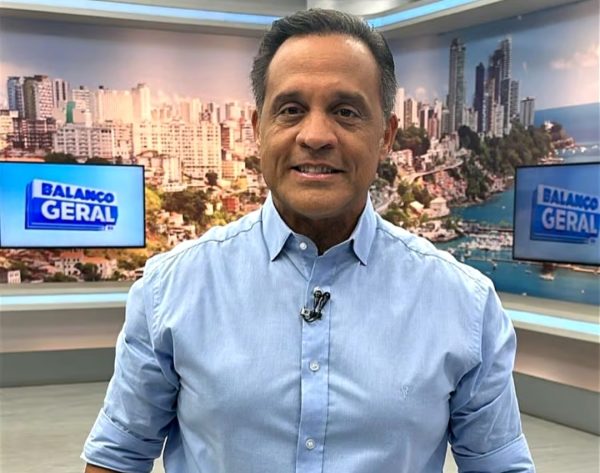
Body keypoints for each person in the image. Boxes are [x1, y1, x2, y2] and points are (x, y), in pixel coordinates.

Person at [83, 9, 535, 473]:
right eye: (291, 110)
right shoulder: (173, 289)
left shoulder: (463, 304)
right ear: (258, 130)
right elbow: (117, 457)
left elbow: (499, 465)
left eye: (345, 111)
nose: (316, 136)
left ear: (386, 136)